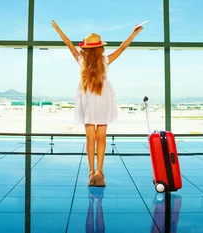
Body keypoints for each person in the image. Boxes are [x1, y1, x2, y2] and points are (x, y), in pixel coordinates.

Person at [52, 20, 144, 187]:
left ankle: (91, 172)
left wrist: (58, 29)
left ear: (86, 48)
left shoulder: (82, 60)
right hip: (103, 97)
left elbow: (68, 44)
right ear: (100, 48)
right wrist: (134, 34)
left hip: (89, 97)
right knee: (101, 137)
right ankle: (99, 172)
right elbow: (122, 48)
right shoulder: (104, 61)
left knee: (90, 137)